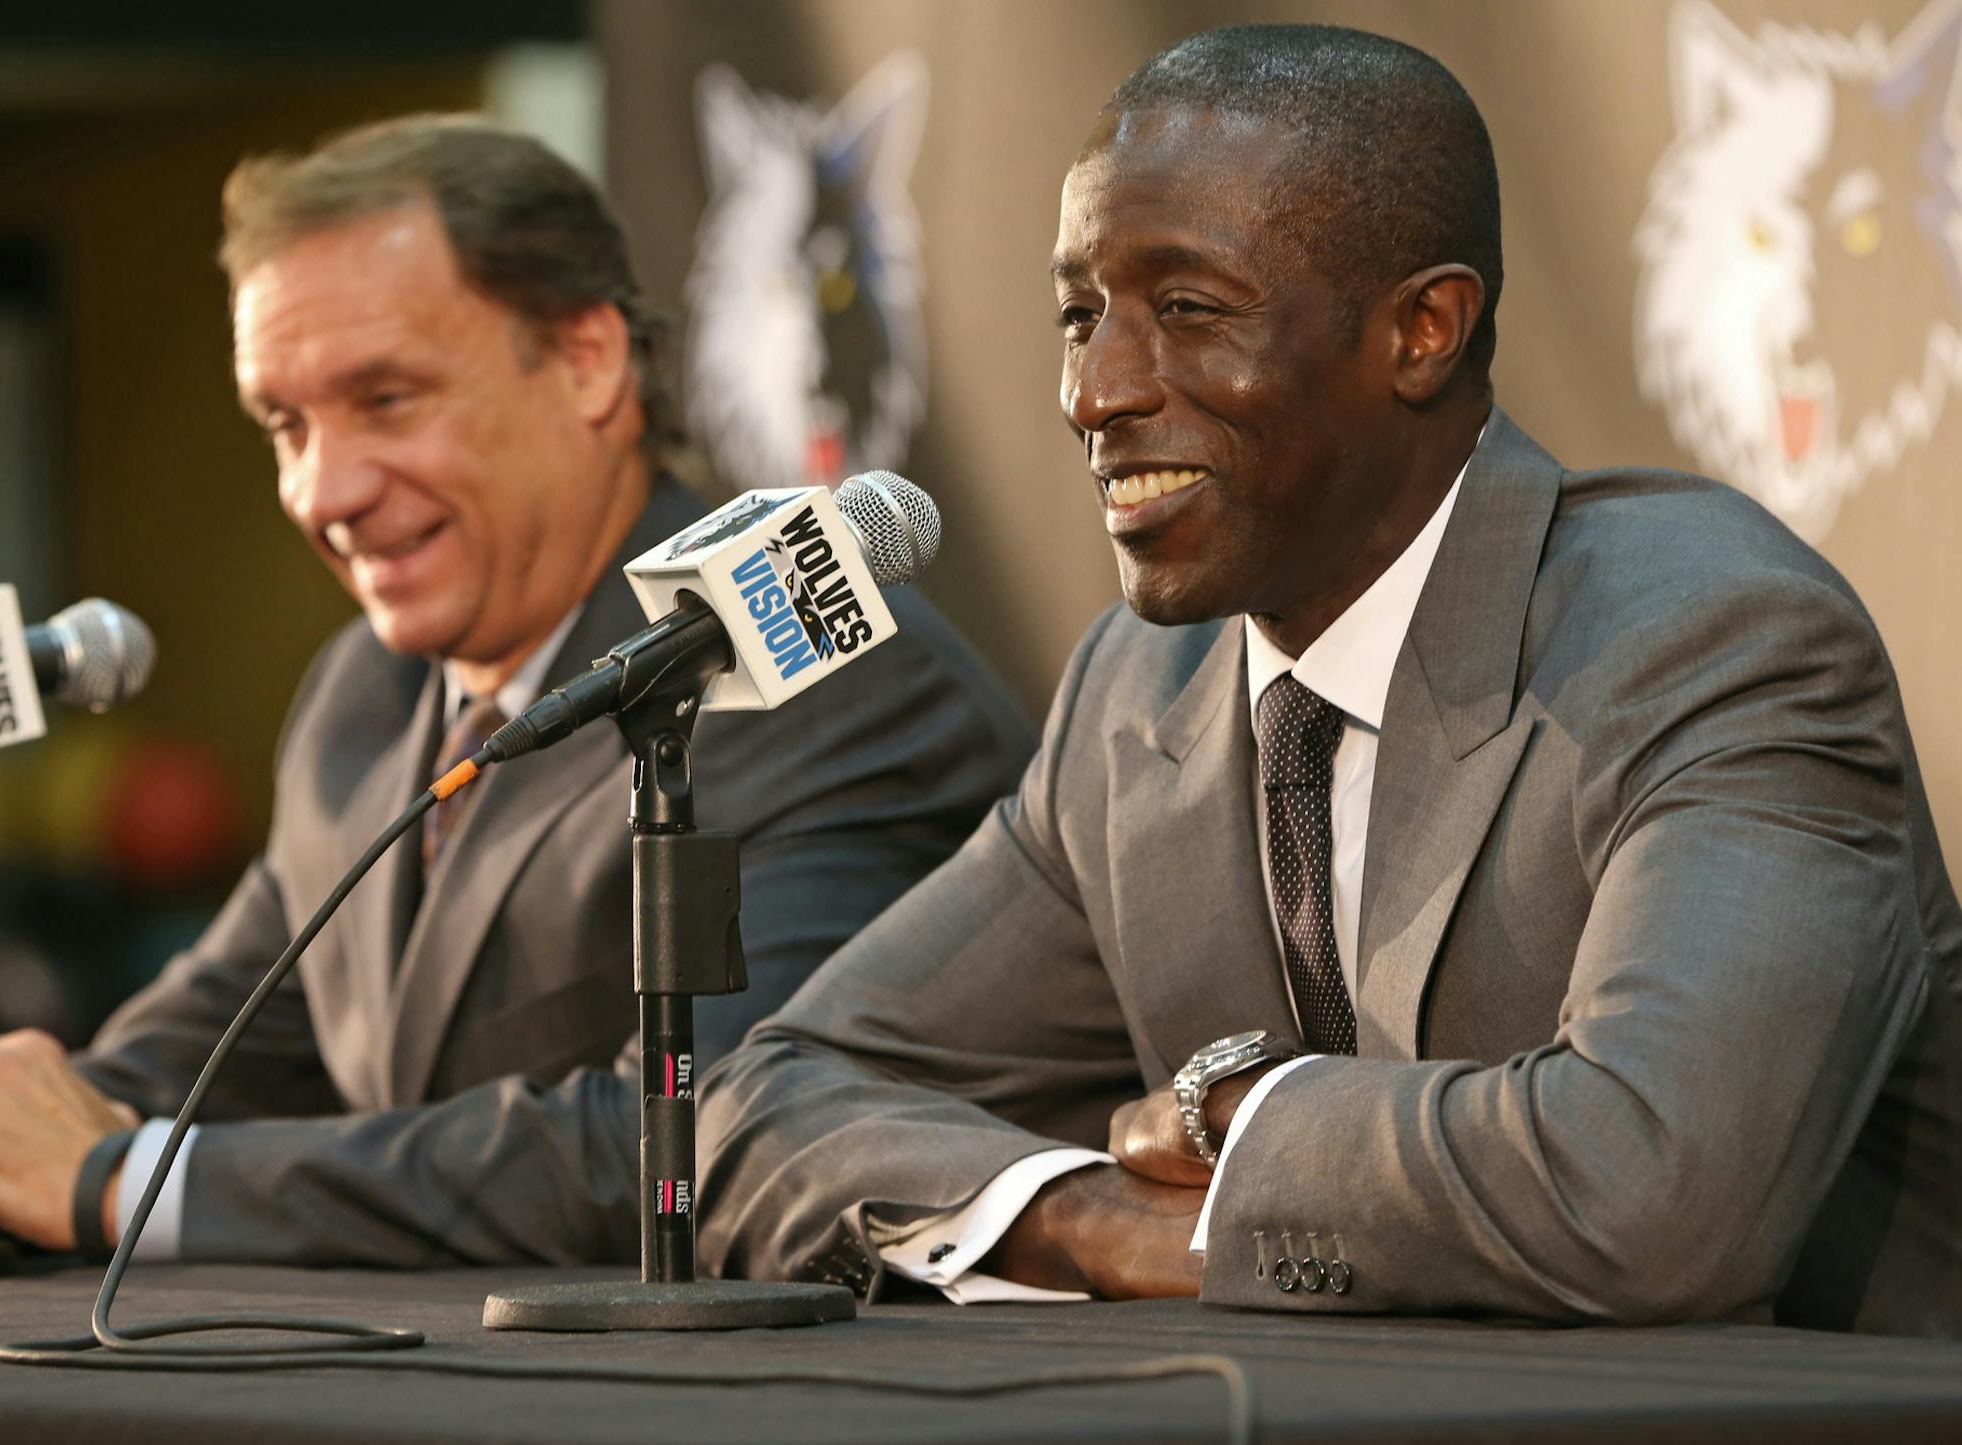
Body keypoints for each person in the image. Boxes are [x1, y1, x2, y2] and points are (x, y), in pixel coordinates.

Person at [696, 25, 1962, 1336]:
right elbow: (770, 1101)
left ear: (1421, 330)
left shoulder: (1713, 642)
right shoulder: (1142, 692)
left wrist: (1244, 1135)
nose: (1093, 391)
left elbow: (1651, 1188)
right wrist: (1100, 1220)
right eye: (1082, 315)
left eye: (1186, 310)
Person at [0, 116, 1033, 1266]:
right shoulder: (367, 689)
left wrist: (116, 1180)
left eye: (385, 400)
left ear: (588, 360)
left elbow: (709, 1138)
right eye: (284, 423)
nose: (323, 491)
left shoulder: (824, 676)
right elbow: (231, 1034)